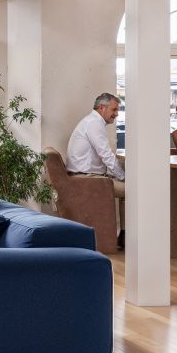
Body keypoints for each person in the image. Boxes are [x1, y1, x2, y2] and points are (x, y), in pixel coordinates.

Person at [67, 93, 126, 247]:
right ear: (102, 108)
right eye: (114, 109)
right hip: (87, 178)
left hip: (83, 175)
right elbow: (106, 155)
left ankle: (124, 236)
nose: (116, 114)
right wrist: (123, 177)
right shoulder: (95, 123)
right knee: (131, 191)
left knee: (126, 184)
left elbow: (105, 157)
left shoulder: (91, 121)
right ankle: (126, 236)